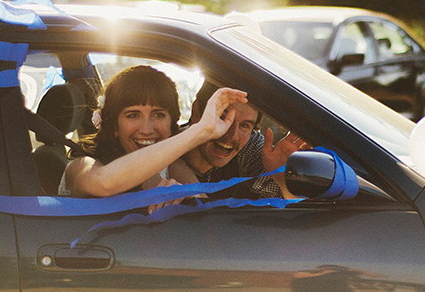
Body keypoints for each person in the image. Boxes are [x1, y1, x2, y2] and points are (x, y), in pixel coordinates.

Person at [60, 65, 248, 211]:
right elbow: (104, 182)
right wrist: (200, 131)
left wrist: (182, 198)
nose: (147, 129)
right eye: (133, 115)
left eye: (158, 115)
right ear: (114, 125)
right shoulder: (81, 165)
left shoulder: (172, 166)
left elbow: (206, 215)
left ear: (172, 123)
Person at [173, 80, 306, 199]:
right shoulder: (164, 153)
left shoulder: (250, 147)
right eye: (223, 118)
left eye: (244, 126)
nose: (232, 135)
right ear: (196, 112)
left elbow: (297, 214)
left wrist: (283, 181)